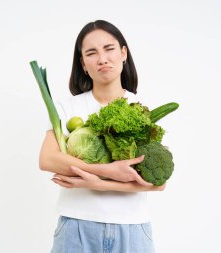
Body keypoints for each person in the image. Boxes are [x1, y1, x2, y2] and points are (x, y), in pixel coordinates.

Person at [39, 20, 165, 253]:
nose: (102, 59)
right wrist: (108, 171)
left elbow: (157, 183)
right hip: (76, 227)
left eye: (109, 49)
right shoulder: (67, 108)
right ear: (83, 64)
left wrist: (96, 183)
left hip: (132, 229)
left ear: (123, 53)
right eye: (91, 53)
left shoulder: (143, 109)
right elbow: (48, 160)